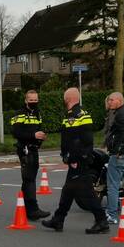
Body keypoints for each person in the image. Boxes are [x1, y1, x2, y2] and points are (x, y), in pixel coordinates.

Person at [42, 88, 109, 234]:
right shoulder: (81, 113)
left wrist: (73, 158)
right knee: (68, 190)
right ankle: (58, 220)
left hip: (78, 160)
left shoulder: (75, 115)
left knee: (88, 193)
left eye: (65, 97)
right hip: (79, 159)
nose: (63, 99)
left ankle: (101, 221)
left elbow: (78, 140)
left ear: (69, 99)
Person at [10, 89, 49, 220]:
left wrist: (41, 137)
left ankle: (26, 207)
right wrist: (33, 135)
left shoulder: (38, 113)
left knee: (28, 180)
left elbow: (39, 128)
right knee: (29, 179)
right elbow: (16, 133)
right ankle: (33, 210)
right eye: (31, 100)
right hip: (25, 149)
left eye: (35, 100)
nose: (34, 102)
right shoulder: (19, 114)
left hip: (34, 149)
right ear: (26, 100)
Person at [103, 91, 124, 224]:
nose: (109, 102)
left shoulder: (120, 114)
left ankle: (112, 214)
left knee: (112, 185)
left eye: (112, 100)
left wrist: (118, 150)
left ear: (119, 100)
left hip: (120, 155)